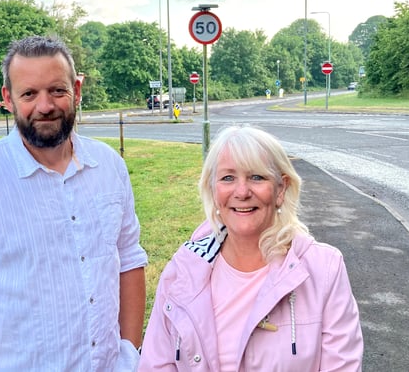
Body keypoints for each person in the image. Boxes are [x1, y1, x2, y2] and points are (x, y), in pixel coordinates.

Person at [0, 35, 148, 371]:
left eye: (57, 90)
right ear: (8, 98)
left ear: (77, 90)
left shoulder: (109, 166)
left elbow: (128, 259)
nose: (45, 106)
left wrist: (128, 353)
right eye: (29, 94)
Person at [139, 125, 363, 371]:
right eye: (227, 178)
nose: (242, 191)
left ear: (281, 189)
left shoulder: (324, 269)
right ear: (213, 191)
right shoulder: (184, 268)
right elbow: (156, 363)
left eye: (257, 177)